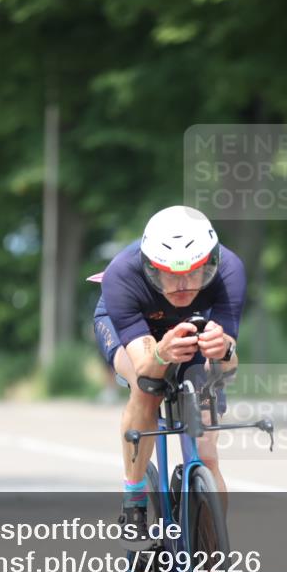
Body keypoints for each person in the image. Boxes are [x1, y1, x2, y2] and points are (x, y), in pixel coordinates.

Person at [93, 206, 245, 553]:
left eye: (194, 274)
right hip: (136, 330)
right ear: (149, 267)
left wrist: (222, 350)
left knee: (207, 449)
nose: (181, 285)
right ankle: (134, 494)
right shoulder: (123, 273)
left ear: (211, 262)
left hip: (193, 324)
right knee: (147, 388)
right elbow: (147, 366)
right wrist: (161, 354)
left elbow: (229, 366)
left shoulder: (230, 269)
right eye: (168, 274)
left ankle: (210, 553)